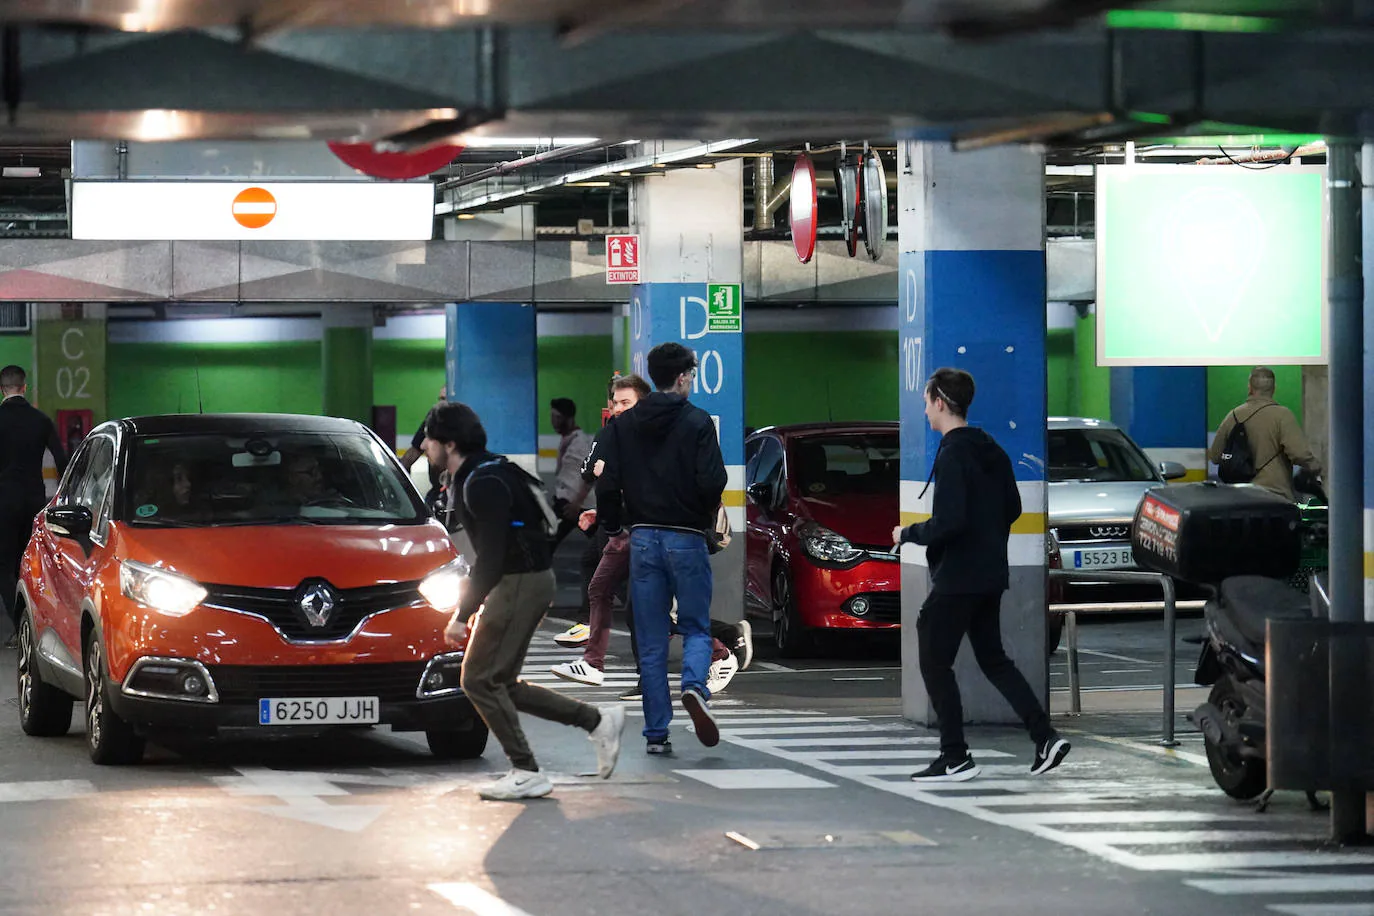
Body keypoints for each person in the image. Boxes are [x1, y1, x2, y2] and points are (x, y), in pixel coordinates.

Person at [422, 401, 625, 800]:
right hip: (526, 580)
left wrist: (462, 616)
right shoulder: (493, 468)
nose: (425, 446)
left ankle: (526, 769)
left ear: (448, 443)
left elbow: (493, 557)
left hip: (517, 582)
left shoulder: (480, 481)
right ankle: (597, 722)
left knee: (477, 679)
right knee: (502, 684)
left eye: (429, 438)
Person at [892, 367, 1069, 782]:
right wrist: (987, 537)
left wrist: (908, 534)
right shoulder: (991, 447)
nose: (924, 409)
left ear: (939, 401)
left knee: (935, 662)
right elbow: (1012, 509)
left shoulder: (953, 452)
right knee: (994, 659)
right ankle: (1045, 737)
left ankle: (954, 756)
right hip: (991, 574)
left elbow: (949, 522)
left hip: (958, 578)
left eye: (925, 401)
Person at [596, 342, 728, 755]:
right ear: (685, 376)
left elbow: (607, 480)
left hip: (644, 540)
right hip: (686, 538)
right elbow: (712, 481)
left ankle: (656, 734)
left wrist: (614, 524)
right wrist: (701, 516)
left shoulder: (622, 425)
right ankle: (694, 686)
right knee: (694, 626)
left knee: (650, 641)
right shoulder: (698, 422)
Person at [550, 374, 651, 687]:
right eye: (616, 403)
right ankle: (596, 663)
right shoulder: (619, 434)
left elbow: (604, 476)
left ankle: (719, 647)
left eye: (626, 403)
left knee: (645, 606)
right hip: (622, 526)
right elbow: (598, 476)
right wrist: (602, 511)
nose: (619, 409)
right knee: (606, 589)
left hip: (646, 532)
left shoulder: (648, 438)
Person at [0, 365, 66, 647]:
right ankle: (37, 627)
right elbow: (63, 461)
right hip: (34, 502)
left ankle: (19, 627)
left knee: (5, 567)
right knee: (31, 566)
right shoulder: (41, 420)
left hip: (3, 502)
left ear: (2, 389)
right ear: (24, 387)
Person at [1207, 366, 1321, 500]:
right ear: (1273, 389)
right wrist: (1318, 468)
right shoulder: (1283, 416)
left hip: (1240, 499)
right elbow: (1299, 454)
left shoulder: (1233, 416)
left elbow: (1215, 456)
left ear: (1250, 387)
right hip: (1274, 497)